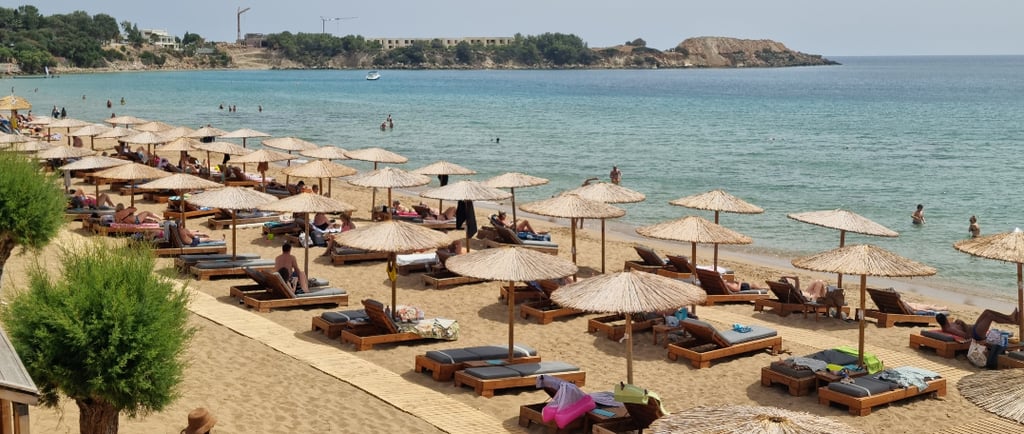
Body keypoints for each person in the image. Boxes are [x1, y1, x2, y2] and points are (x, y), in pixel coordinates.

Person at [937, 309, 1019, 342]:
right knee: (990, 316)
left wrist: (960, 323)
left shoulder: (948, 325)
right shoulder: (950, 329)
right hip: (976, 334)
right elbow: (967, 336)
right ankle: (1011, 320)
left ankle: (1010, 318)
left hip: (975, 327)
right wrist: (963, 323)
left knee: (987, 312)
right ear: (945, 319)